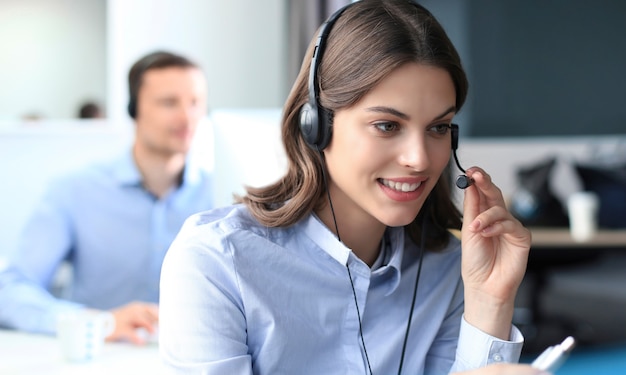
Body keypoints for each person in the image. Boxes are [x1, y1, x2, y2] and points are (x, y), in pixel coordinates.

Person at [159, 1, 540, 374]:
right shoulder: (216, 261)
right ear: (317, 125)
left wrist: (490, 299)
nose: (420, 159)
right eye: (387, 125)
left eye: (438, 127)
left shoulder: (445, 270)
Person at [0, 51, 214, 345]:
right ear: (133, 109)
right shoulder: (75, 190)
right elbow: (10, 290)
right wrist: (96, 323)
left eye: (195, 102)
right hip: (102, 359)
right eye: (169, 102)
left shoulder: (225, 196)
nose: (187, 117)